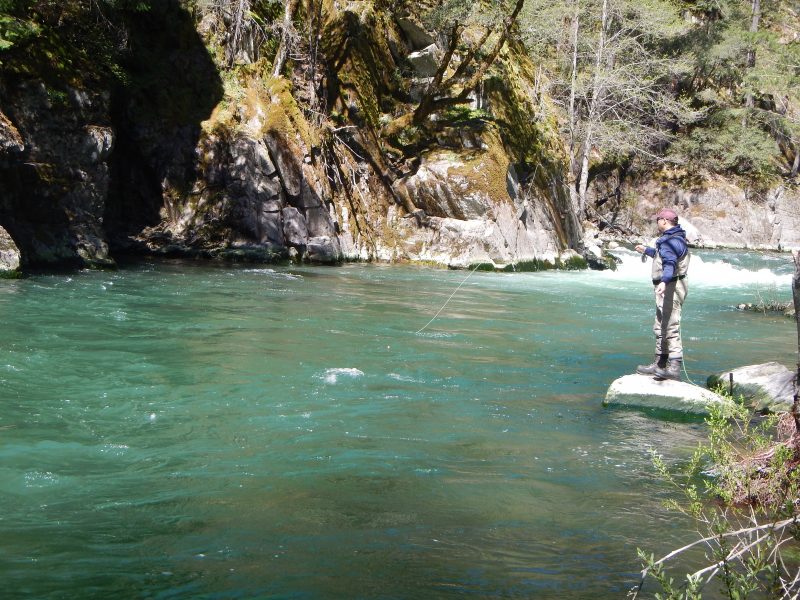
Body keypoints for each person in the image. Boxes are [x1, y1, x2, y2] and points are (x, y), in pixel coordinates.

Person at [634, 208, 690, 381]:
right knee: (660, 324)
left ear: (664, 221)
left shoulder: (670, 242)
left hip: (670, 286)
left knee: (670, 326)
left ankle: (674, 367)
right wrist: (647, 250)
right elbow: (664, 257)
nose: (657, 222)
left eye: (658, 219)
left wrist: (664, 282)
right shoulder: (674, 239)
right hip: (671, 285)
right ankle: (659, 363)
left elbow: (670, 263)